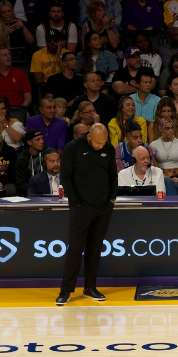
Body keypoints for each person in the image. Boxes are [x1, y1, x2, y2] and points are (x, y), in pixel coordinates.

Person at [56, 123, 116, 305]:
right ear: (89, 136)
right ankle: (65, 290)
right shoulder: (73, 148)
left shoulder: (108, 148)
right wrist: (75, 202)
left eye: (103, 143)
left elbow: (113, 174)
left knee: (95, 248)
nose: (101, 146)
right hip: (81, 207)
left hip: (103, 206)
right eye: (98, 142)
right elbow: (65, 177)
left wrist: (112, 199)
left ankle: (90, 287)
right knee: (75, 248)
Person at [16, 129, 47, 194]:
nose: (41, 142)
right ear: (29, 142)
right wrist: (34, 190)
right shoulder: (22, 159)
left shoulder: (47, 154)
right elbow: (21, 182)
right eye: (37, 140)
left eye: (42, 138)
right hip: (29, 191)